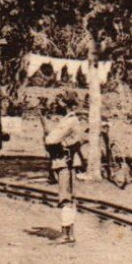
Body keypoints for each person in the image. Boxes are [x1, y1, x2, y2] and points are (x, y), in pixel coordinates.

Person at [43, 94, 87, 246]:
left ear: (64, 104)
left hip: (65, 162)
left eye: (59, 102)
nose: (56, 105)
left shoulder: (69, 121)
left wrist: (50, 135)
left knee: (65, 199)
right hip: (70, 161)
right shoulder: (72, 120)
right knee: (69, 199)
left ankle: (65, 234)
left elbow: (51, 139)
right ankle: (70, 233)